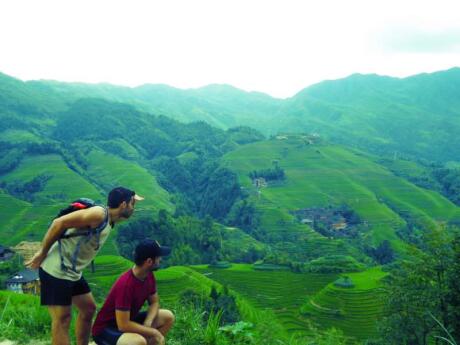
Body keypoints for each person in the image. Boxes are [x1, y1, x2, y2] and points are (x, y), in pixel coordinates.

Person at [26, 187, 144, 345]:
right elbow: (58, 223)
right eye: (132, 203)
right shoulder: (99, 214)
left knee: (88, 309)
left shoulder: (110, 220)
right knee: (62, 320)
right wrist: (41, 253)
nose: (133, 208)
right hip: (56, 270)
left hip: (73, 272)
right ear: (123, 204)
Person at [92, 239, 175, 345]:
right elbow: (123, 325)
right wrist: (153, 332)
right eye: (158, 257)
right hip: (106, 329)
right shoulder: (126, 284)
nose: (161, 259)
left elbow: (154, 302)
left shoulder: (148, 275)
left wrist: (148, 322)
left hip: (128, 319)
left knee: (168, 317)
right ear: (149, 262)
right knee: (138, 341)